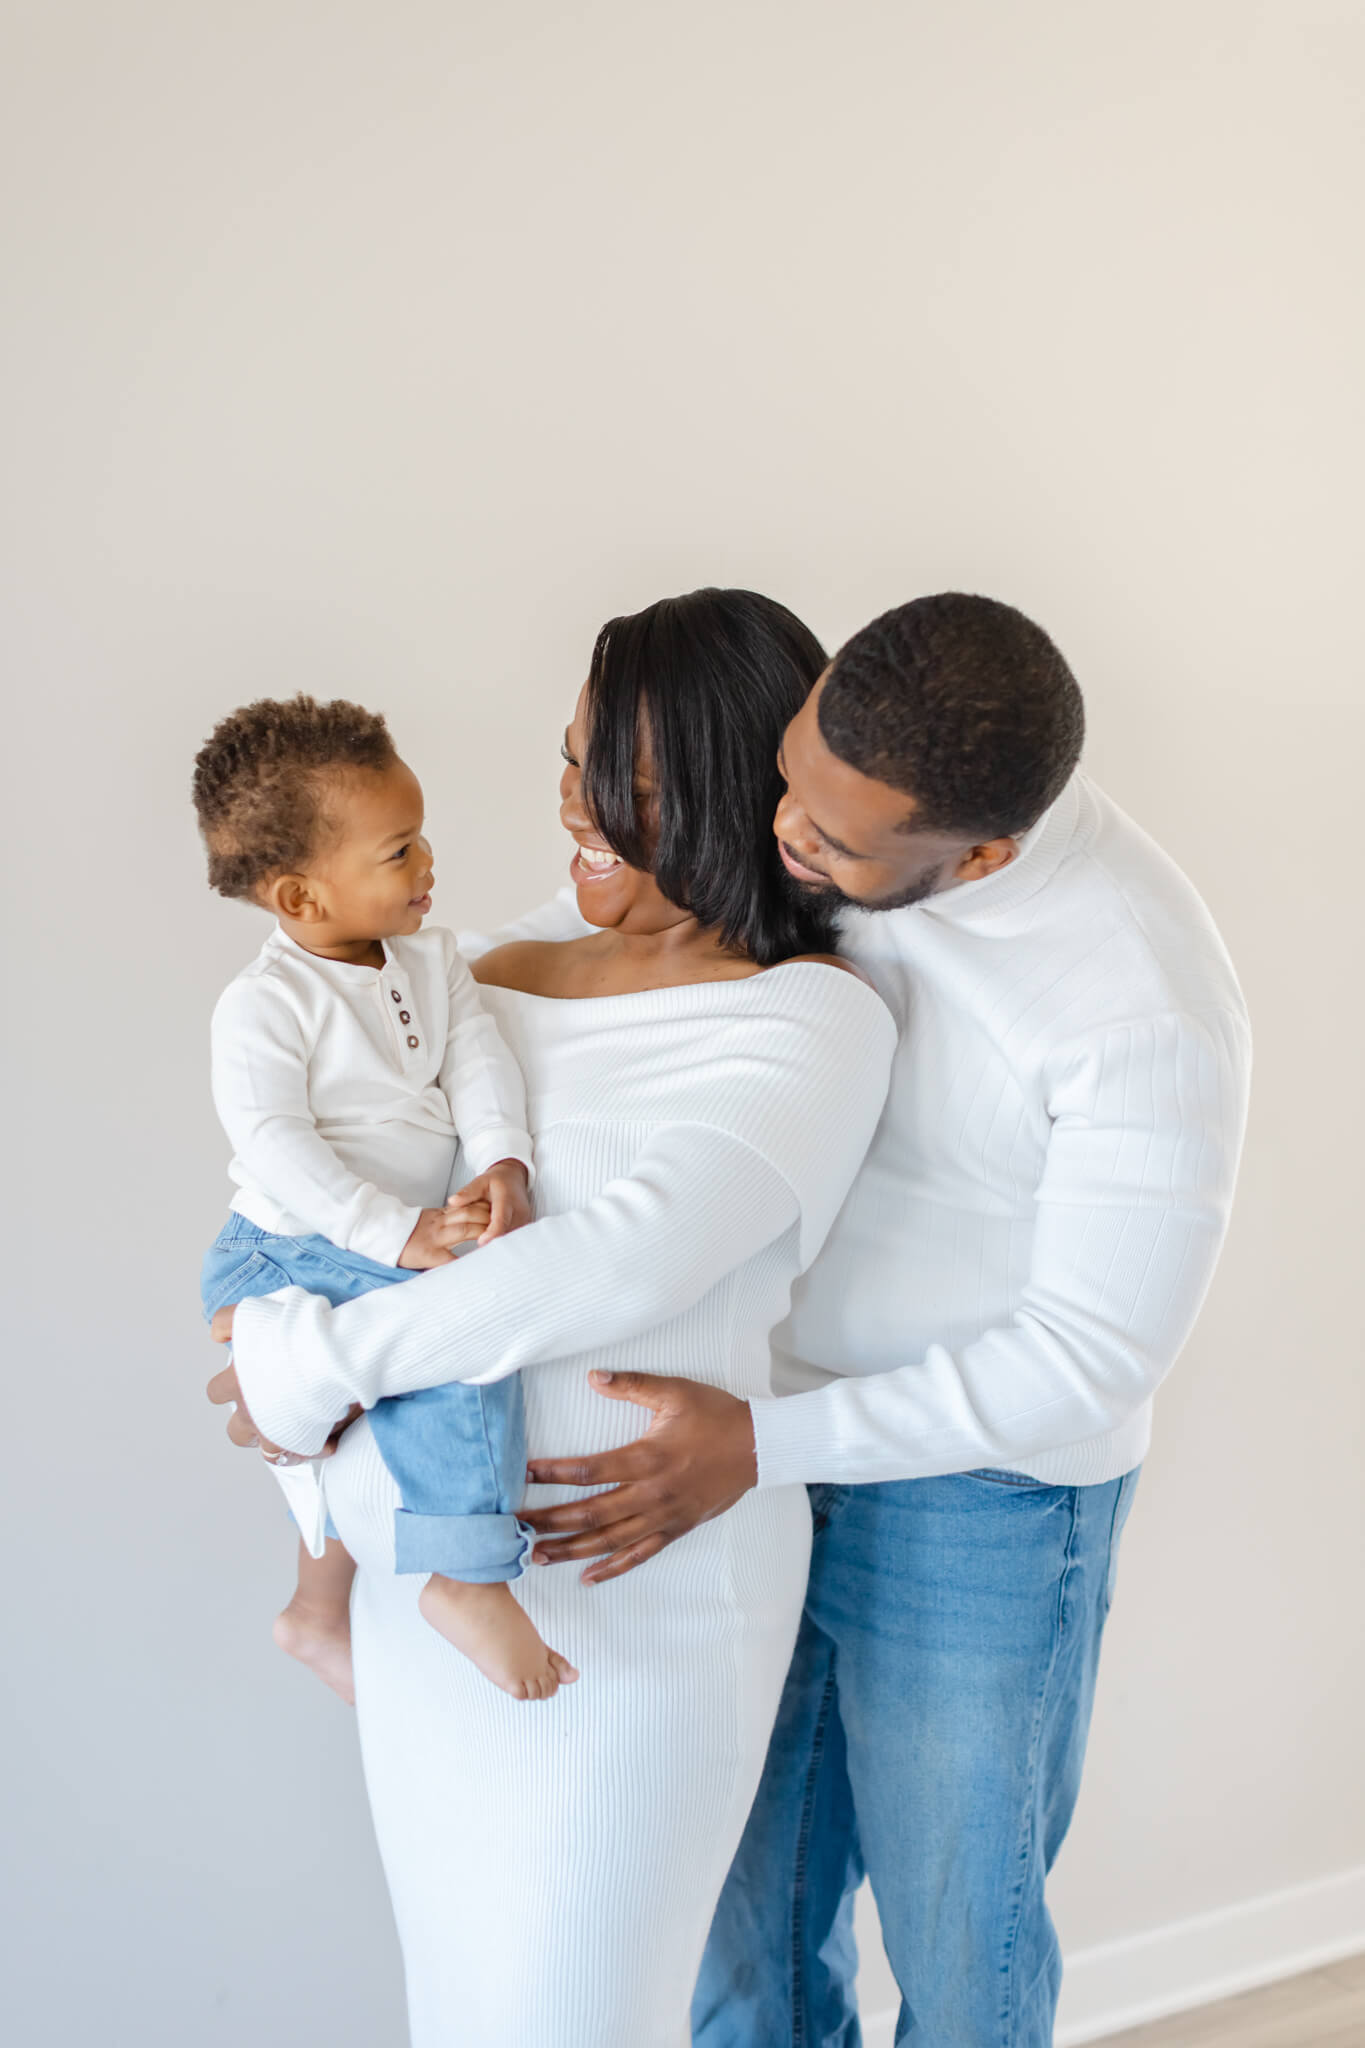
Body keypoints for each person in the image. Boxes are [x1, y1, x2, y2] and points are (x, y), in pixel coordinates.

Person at [488, 593, 1252, 2046]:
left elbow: (1089, 1359)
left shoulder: (1138, 1003)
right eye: (784, 779)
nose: (780, 838)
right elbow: (624, 921)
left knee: (959, 1955)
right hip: (751, 1450)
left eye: (832, 846)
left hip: (984, 1497)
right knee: (744, 1929)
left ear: (978, 858)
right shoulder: (826, 795)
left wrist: (759, 1444)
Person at [205, 589, 898, 2048]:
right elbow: (339, 1146)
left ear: (731, 792)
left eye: (628, 783)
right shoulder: (472, 968)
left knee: (576, 2014)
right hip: (431, 1595)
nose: (576, 806)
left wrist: (314, 1367)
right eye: (572, 757)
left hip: (635, 1611)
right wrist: (283, 1356)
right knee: (458, 2012)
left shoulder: (807, 1018)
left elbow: (620, 1263)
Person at [192, 694, 572, 1702]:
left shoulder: (434, 961)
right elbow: (278, 1149)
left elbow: (479, 1060)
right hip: (289, 1245)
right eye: (398, 851)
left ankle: (314, 1613)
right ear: (303, 896)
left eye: (421, 838)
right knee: (452, 1347)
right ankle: (465, 1572)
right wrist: (393, 1231)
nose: (428, 864)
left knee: (350, 1419)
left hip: (383, 1239)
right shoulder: (264, 1006)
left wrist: (502, 1161)